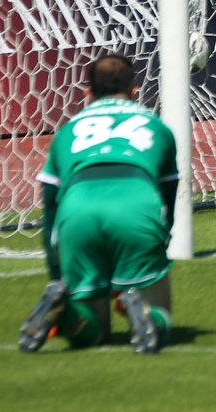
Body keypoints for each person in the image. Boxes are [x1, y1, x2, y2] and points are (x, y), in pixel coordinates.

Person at [17, 53, 179, 354]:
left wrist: (57, 276)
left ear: (88, 94)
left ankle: (67, 315)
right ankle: (145, 315)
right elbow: (168, 200)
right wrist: (159, 243)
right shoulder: (156, 127)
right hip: (134, 202)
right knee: (160, 311)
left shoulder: (67, 131)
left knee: (94, 332)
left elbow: (50, 208)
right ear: (135, 92)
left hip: (77, 208)